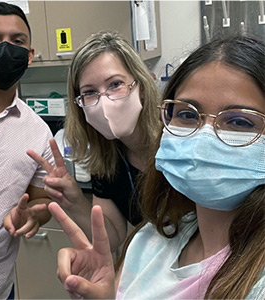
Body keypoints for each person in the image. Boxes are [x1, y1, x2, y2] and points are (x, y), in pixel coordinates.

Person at [47, 35, 265, 299]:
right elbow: (111, 234)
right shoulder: (152, 238)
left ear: (141, 84)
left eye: (240, 122)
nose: (203, 139)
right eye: (187, 115)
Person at [28, 30, 162, 252]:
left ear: (142, 87)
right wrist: (75, 201)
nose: (104, 101)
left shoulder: (176, 142)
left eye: (115, 84)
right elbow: (112, 239)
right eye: (90, 92)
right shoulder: (108, 158)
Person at [0, 2, 54, 299]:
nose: (5, 49)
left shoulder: (39, 132)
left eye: (17, 41)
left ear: (29, 56)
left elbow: (41, 200)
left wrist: (34, 215)